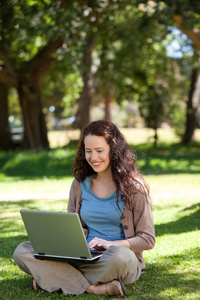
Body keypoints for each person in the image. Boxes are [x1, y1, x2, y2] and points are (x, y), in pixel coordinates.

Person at [13, 120, 155, 297]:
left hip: (115, 259)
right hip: (83, 257)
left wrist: (111, 244)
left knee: (121, 256)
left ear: (114, 149)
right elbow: (73, 228)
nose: (93, 158)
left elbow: (147, 239)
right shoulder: (79, 185)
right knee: (22, 251)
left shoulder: (135, 187)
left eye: (99, 151)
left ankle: (52, 279)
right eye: (88, 151)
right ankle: (93, 288)